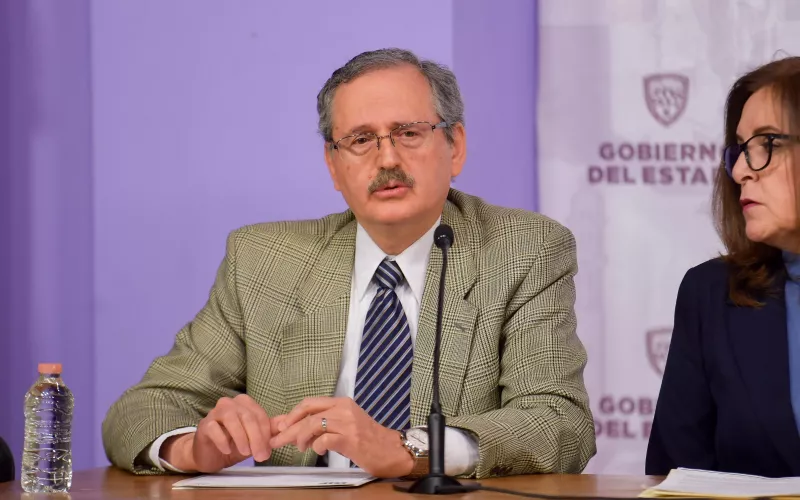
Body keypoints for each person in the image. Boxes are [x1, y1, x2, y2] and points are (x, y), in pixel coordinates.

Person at [102, 48, 596, 479]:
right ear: (333, 166)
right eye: (361, 140)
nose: (387, 159)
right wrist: (195, 448)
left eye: (408, 132)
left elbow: (558, 423)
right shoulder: (263, 262)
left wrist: (408, 450)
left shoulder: (522, 251)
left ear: (456, 147)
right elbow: (141, 409)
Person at [646, 56, 800, 477]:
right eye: (740, 149)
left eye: (767, 144)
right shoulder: (710, 293)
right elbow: (675, 476)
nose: (740, 171)